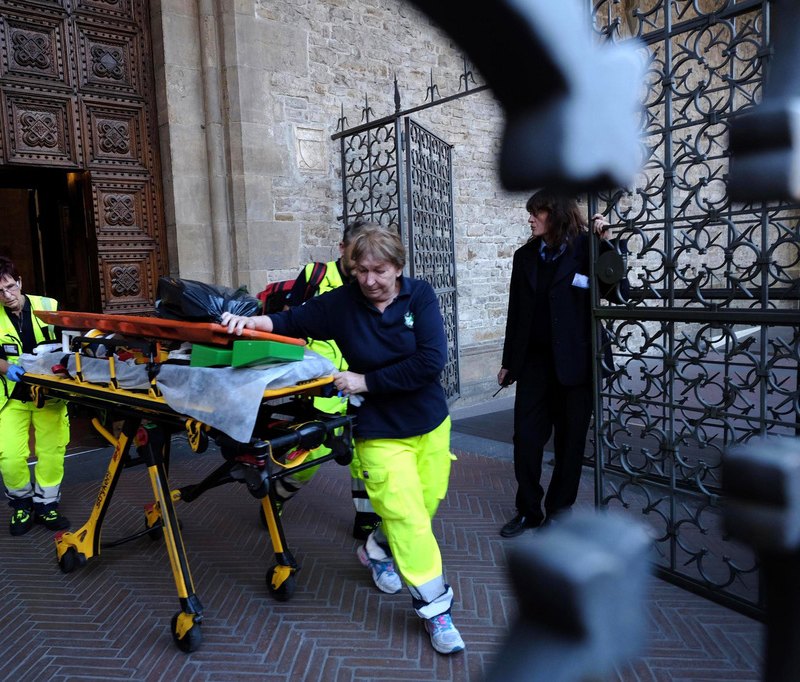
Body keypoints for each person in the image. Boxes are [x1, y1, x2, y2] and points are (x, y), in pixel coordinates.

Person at [222, 224, 464, 655]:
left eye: (380, 270)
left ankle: (376, 548)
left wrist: (365, 380)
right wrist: (249, 321)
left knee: (424, 505)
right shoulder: (343, 303)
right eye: (361, 270)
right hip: (379, 431)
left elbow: (432, 361)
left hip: (430, 422)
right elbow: (289, 320)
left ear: (398, 268)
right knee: (408, 519)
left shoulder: (420, 296)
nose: (370, 280)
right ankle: (436, 610)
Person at [498, 189, 629, 538]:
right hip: (534, 364)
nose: (530, 219)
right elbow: (517, 313)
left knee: (570, 443)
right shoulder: (524, 256)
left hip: (578, 363)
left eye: (536, 213)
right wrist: (509, 361)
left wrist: (609, 247)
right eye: (531, 213)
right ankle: (528, 510)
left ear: (555, 215)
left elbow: (618, 292)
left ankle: (559, 511)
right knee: (525, 440)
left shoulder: (588, 248)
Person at [265, 219, 382, 542]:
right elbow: (290, 325)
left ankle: (367, 519)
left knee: (365, 454)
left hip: (362, 384)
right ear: (343, 249)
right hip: (321, 387)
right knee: (312, 455)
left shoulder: (370, 282)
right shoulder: (316, 276)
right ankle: (276, 493)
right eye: (356, 252)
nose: (362, 262)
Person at [0, 256, 71, 536]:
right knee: (9, 454)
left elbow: (68, 342)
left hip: (49, 394)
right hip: (12, 397)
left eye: (10, 287)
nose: (7, 295)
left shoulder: (49, 306)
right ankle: (21, 504)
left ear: (20, 282)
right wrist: (9, 369)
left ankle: (47, 504)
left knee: (51, 452)